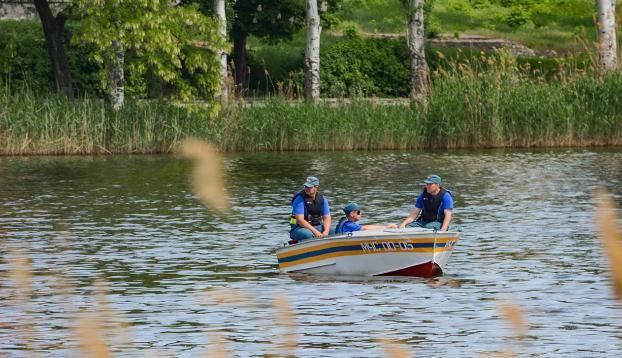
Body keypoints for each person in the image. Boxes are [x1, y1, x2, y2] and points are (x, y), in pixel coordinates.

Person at [289, 176, 331, 241]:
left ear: (316, 187)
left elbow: (327, 218)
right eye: (305, 186)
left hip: (317, 226)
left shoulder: (323, 199)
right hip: (298, 228)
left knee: (336, 230)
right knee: (309, 235)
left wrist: (326, 232)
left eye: (309, 187)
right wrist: (315, 231)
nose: (306, 188)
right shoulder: (299, 199)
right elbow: (300, 220)